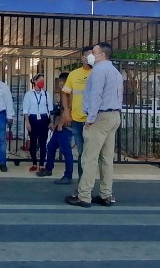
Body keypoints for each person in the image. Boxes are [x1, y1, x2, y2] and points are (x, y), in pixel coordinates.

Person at [65, 42, 123, 208]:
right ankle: (106, 194)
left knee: (89, 158)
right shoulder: (115, 72)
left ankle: (84, 196)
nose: (91, 54)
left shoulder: (98, 70)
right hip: (114, 116)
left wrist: (90, 118)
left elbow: (96, 95)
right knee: (106, 158)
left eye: (94, 52)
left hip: (99, 117)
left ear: (102, 55)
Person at [59, 46, 93, 182]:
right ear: (82, 58)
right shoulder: (74, 74)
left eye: (93, 55)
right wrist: (67, 112)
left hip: (94, 121)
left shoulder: (98, 72)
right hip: (78, 120)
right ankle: (82, 185)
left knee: (94, 154)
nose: (91, 58)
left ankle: (94, 188)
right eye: (89, 55)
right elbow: (65, 93)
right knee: (81, 153)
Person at [37, 73, 74, 184]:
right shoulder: (63, 94)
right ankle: (49, 169)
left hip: (66, 127)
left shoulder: (70, 95)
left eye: (61, 82)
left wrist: (60, 125)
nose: (60, 84)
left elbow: (69, 112)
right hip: (60, 126)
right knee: (51, 146)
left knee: (66, 151)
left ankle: (68, 176)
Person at [22, 73, 55, 172]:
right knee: (33, 142)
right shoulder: (29, 94)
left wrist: (52, 121)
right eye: (40, 80)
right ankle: (34, 164)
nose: (42, 82)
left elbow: (51, 109)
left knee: (43, 142)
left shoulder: (46, 94)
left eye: (43, 81)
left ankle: (41, 164)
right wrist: (27, 123)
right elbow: (25, 110)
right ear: (35, 81)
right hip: (32, 119)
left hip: (44, 119)